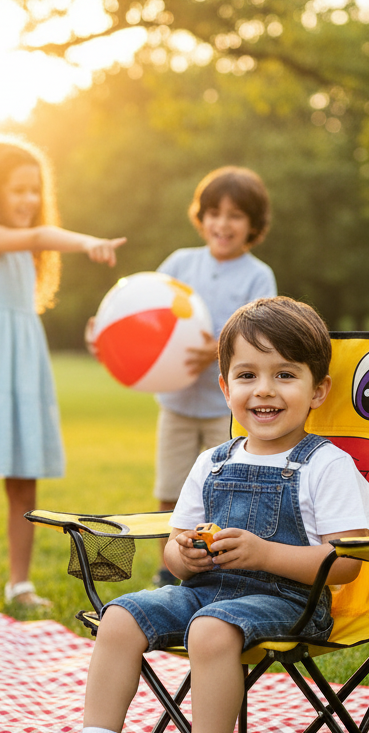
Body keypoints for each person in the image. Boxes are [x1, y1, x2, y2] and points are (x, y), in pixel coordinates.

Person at [18, 297, 369, 733]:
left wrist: (265, 553)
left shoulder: (327, 464)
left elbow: (348, 563)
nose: (265, 390)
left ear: (318, 389)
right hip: (207, 591)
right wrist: (182, 554)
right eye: (247, 375)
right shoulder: (213, 461)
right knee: (120, 616)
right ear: (226, 388)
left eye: (285, 374)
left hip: (290, 603)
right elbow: (174, 549)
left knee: (209, 629)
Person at [0, 138, 125, 614]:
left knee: (24, 485)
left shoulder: (20, 248)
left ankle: (19, 583)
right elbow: (37, 236)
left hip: (21, 369)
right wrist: (87, 242)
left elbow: (33, 241)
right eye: (17, 190)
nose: (29, 201)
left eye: (35, 191)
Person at [88, 166, 276, 587]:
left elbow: (262, 337)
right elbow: (142, 315)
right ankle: (168, 567)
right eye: (213, 213)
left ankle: (219, 570)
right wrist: (106, 334)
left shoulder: (257, 275)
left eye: (234, 215)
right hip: (175, 405)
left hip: (225, 409)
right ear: (201, 217)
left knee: (222, 492)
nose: (222, 224)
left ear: (253, 225)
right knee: (171, 490)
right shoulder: (180, 262)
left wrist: (217, 350)